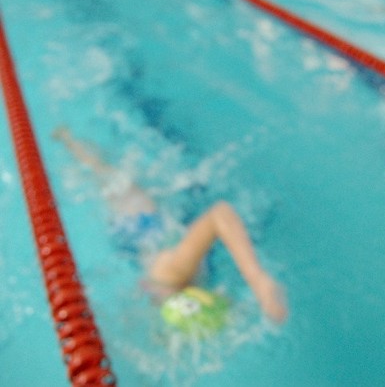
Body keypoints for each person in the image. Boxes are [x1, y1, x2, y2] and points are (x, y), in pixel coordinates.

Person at [53, 128, 288, 331]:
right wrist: (256, 287)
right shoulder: (175, 280)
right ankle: (69, 141)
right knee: (103, 174)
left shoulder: (172, 274)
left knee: (106, 177)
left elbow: (221, 214)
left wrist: (258, 281)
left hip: (137, 224)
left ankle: (68, 140)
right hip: (147, 235)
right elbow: (219, 213)